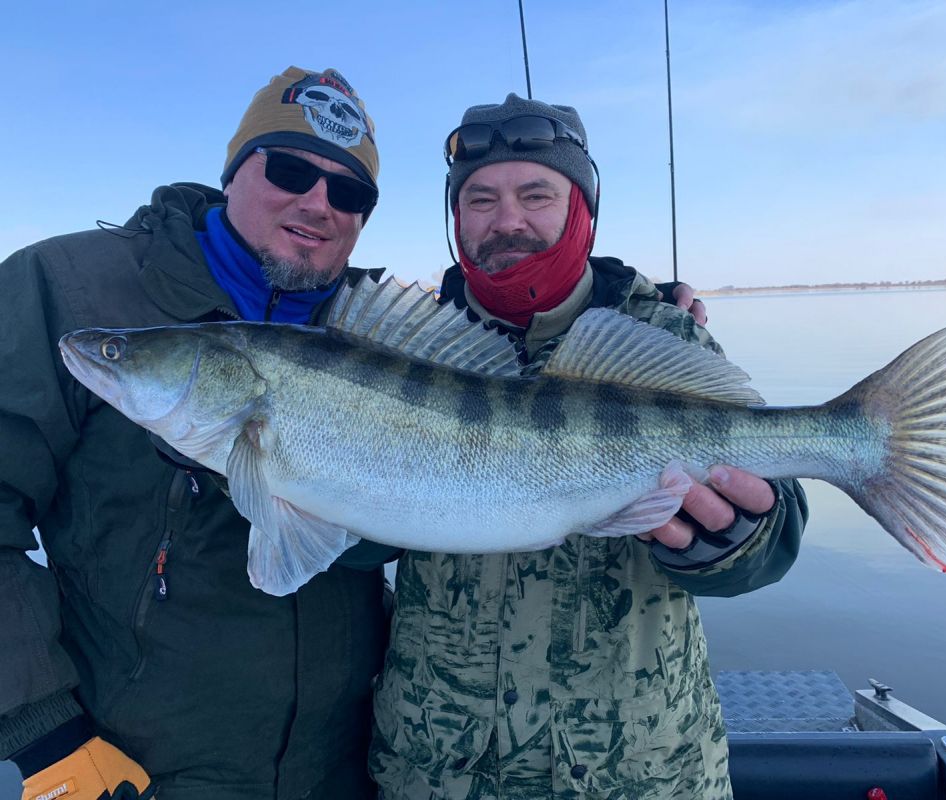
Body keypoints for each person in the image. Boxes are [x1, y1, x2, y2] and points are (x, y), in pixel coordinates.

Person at [368, 94, 810, 799]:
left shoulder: (664, 335)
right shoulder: (393, 350)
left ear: (583, 208)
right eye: (478, 199)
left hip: (640, 772)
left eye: (535, 194)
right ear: (454, 219)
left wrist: (734, 542)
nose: (505, 220)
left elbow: (775, 530)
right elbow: (350, 545)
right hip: (437, 770)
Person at [0, 66, 397, 800]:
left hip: (338, 772)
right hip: (133, 773)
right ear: (233, 169)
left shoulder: (378, 337)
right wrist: (39, 730)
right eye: (289, 170)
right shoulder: (68, 289)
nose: (318, 202)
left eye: (350, 192)